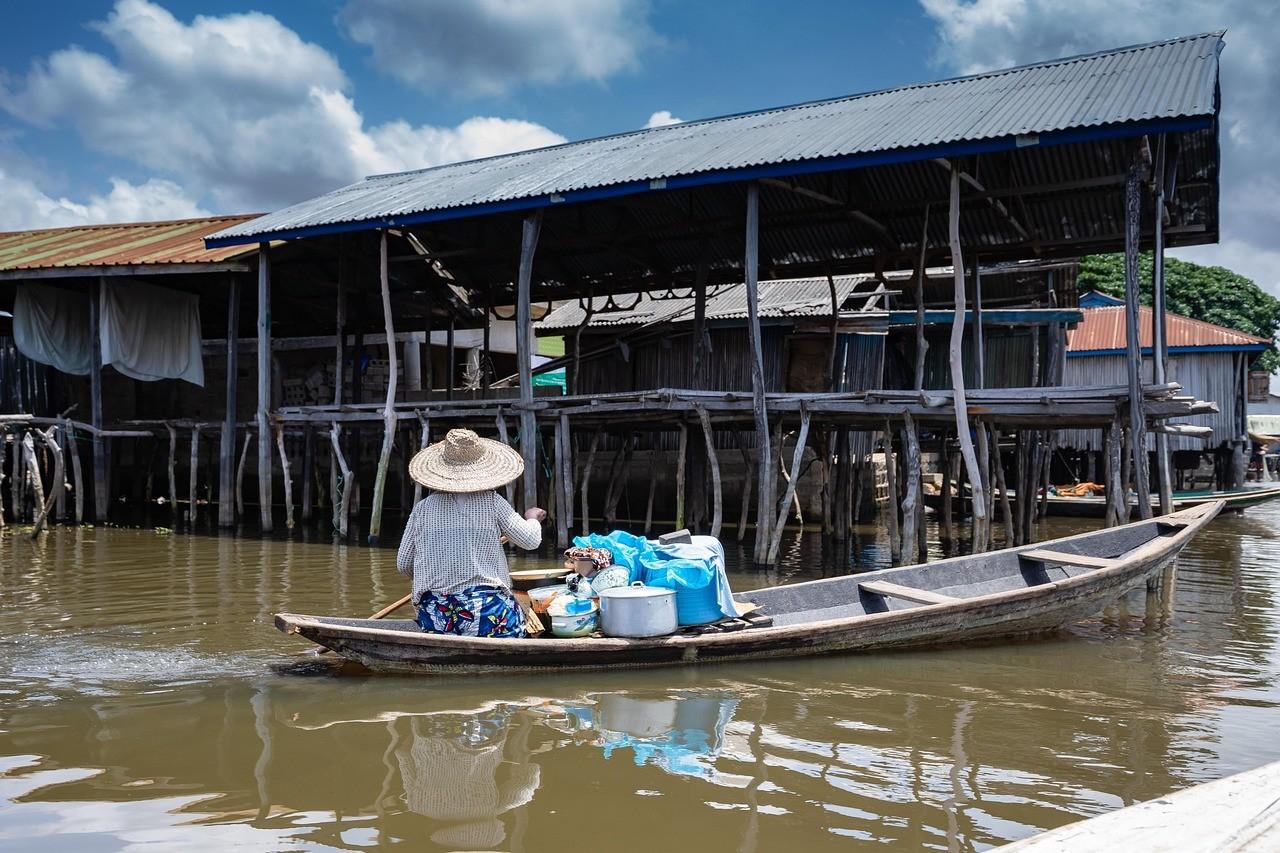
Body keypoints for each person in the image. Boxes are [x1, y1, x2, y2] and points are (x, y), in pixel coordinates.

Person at [398, 428, 545, 638]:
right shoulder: (491, 502)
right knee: (523, 616)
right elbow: (531, 540)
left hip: (436, 617)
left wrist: (434, 573)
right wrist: (532, 518)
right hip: (488, 614)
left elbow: (403, 564)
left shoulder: (422, 509)